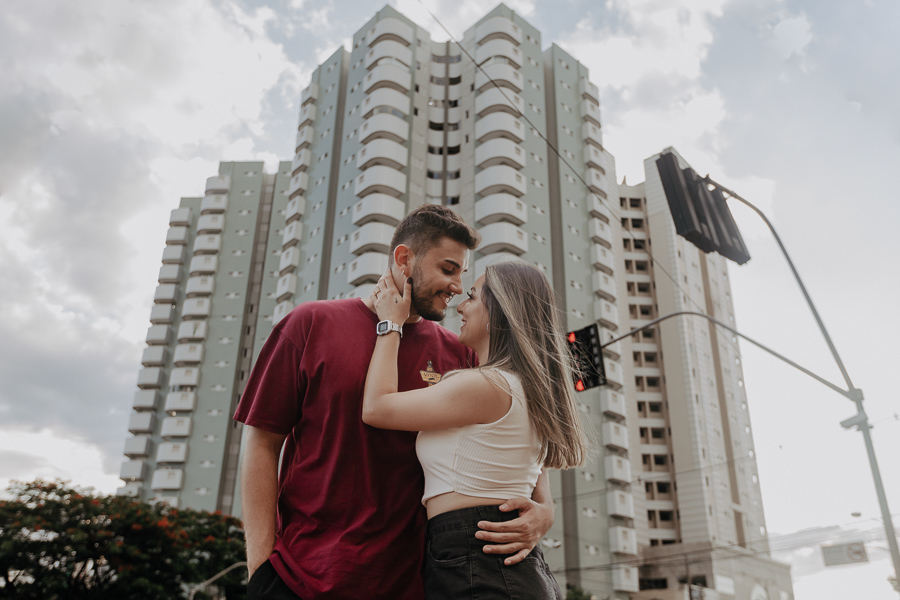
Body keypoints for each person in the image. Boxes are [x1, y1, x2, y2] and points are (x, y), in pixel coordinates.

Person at [234, 204, 556, 600]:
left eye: (463, 276)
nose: (457, 287)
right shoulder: (310, 324)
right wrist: (260, 568)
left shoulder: (462, 354)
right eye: (448, 269)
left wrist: (544, 507)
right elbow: (262, 442)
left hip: (414, 584)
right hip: (300, 578)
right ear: (405, 260)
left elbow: (514, 439)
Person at [362, 260, 592, 599]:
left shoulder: (486, 386)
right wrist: (546, 510)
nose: (460, 305)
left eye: (471, 296)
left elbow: (377, 408)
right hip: (488, 561)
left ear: (499, 312)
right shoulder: (520, 387)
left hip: (479, 556)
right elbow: (532, 465)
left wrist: (390, 324)